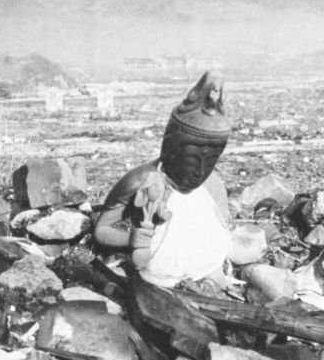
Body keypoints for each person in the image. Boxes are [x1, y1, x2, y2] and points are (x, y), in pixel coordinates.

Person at [93, 72, 231, 289]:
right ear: (170, 148)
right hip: (157, 273)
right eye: (192, 161)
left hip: (207, 266)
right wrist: (132, 240)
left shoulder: (212, 184)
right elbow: (101, 230)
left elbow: (223, 228)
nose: (200, 172)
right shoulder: (141, 180)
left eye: (211, 161)